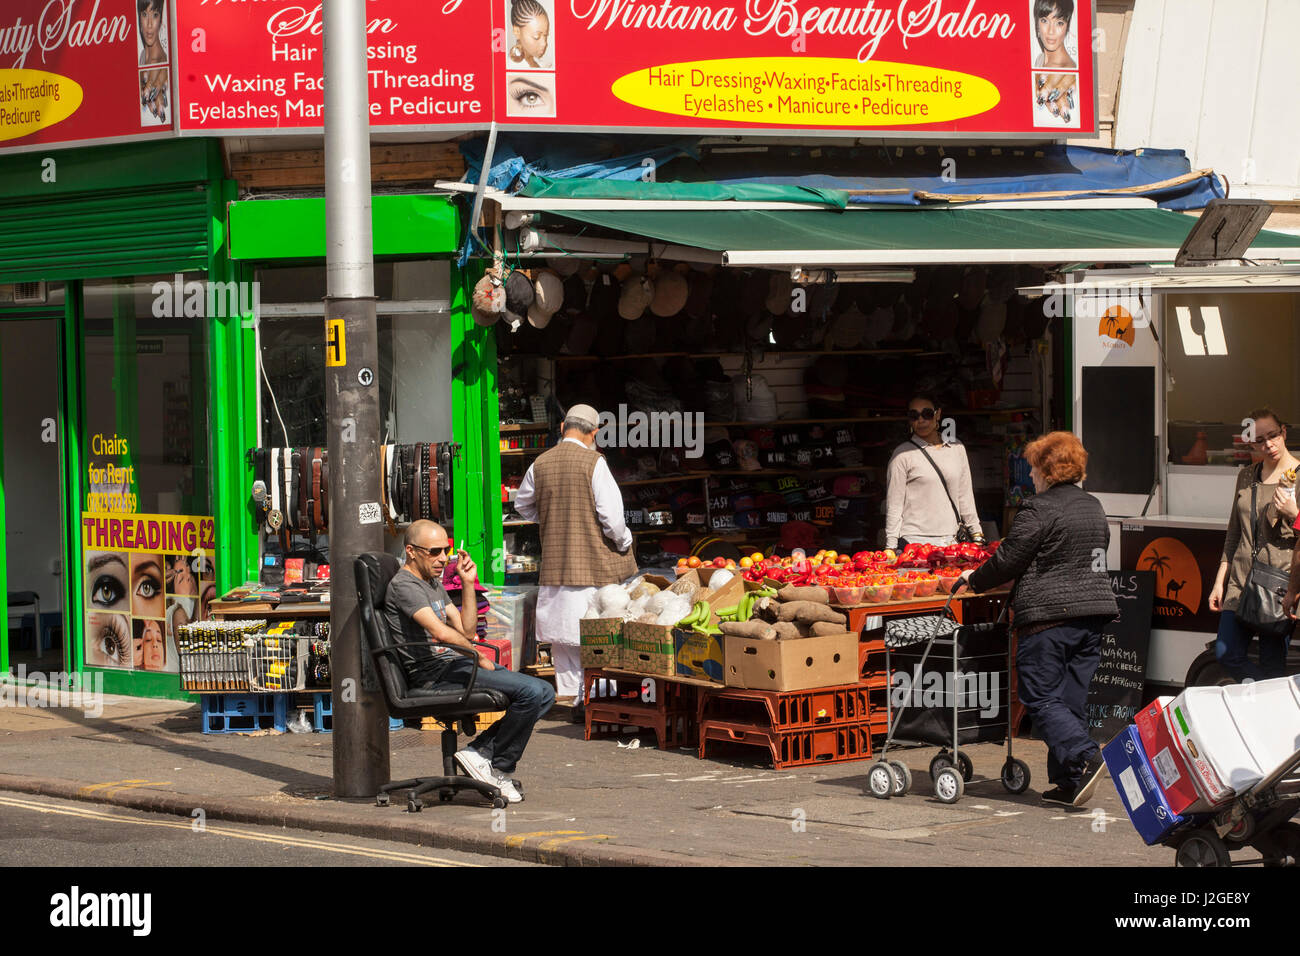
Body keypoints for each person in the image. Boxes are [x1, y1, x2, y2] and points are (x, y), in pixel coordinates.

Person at [956, 431, 1117, 806]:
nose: (1030, 476)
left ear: (1047, 469)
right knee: (1069, 701)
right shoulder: (1092, 505)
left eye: (1032, 469)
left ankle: (1085, 755)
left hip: (1048, 621)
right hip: (1091, 618)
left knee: (1040, 696)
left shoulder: (1038, 509)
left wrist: (974, 580)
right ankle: (1069, 782)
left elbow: (1010, 558)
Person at [384, 519, 554, 804]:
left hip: (454, 664)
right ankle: (496, 763)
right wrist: (478, 657)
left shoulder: (432, 584)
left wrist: (467, 582)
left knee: (545, 692)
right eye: (435, 552)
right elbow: (440, 633)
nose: (443, 559)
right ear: (412, 551)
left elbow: (467, 630)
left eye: (446, 551)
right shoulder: (405, 585)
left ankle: (482, 753)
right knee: (532, 692)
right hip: (435, 674)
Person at [513, 403, 636, 721]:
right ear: (594, 433)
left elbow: (522, 504)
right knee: (597, 637)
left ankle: (572, 699)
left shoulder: (540, 463)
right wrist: (625, 541)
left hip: (556, 568)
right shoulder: (595, 462)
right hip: (592, 569)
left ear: (562, 427)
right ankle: (593, 700)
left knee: (564, 639)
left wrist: (550, 517)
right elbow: (612, 519)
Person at [1208, 408, 1298, 681]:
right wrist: (1219, 580)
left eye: (1273, 436)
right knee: (1225, 653)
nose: (1268, 445)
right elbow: (1234, 533)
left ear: (1283, 433)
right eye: (1260, 440)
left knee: (1272, 663)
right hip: (1240, 579)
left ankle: (1272, 708)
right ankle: (1273, 693)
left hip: (1278, 582)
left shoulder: (1296, 474)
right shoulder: (1247, 476)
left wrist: (1295, 514)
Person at [884, 394, 984, 551]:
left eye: (927, 414)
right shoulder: (902, 454)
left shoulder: (957, 448)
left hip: (952, 541)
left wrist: (977, 534)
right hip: (913, 542)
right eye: (914, 416)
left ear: (938, 414)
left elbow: (965, 496)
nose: (921, 420)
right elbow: (894, 505)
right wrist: (890, 547)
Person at [1033, 0, 1076, 69]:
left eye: (1059, 23)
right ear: (1037, 24)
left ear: (1067, 27)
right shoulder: (1040, 59)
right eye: (1044, 21)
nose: (1051, 31)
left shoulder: (1067, 69)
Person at [509, 0, 551, 68]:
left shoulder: (542, 63)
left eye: (545, 35)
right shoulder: (512, 68)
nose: (544, 43)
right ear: (517, 31)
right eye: (536, 37)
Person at [138, 0, 168, 66]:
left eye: (155, 15)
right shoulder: (143, 55)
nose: (149, 24)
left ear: (160, 20)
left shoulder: (157, 62)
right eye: (144, 14)